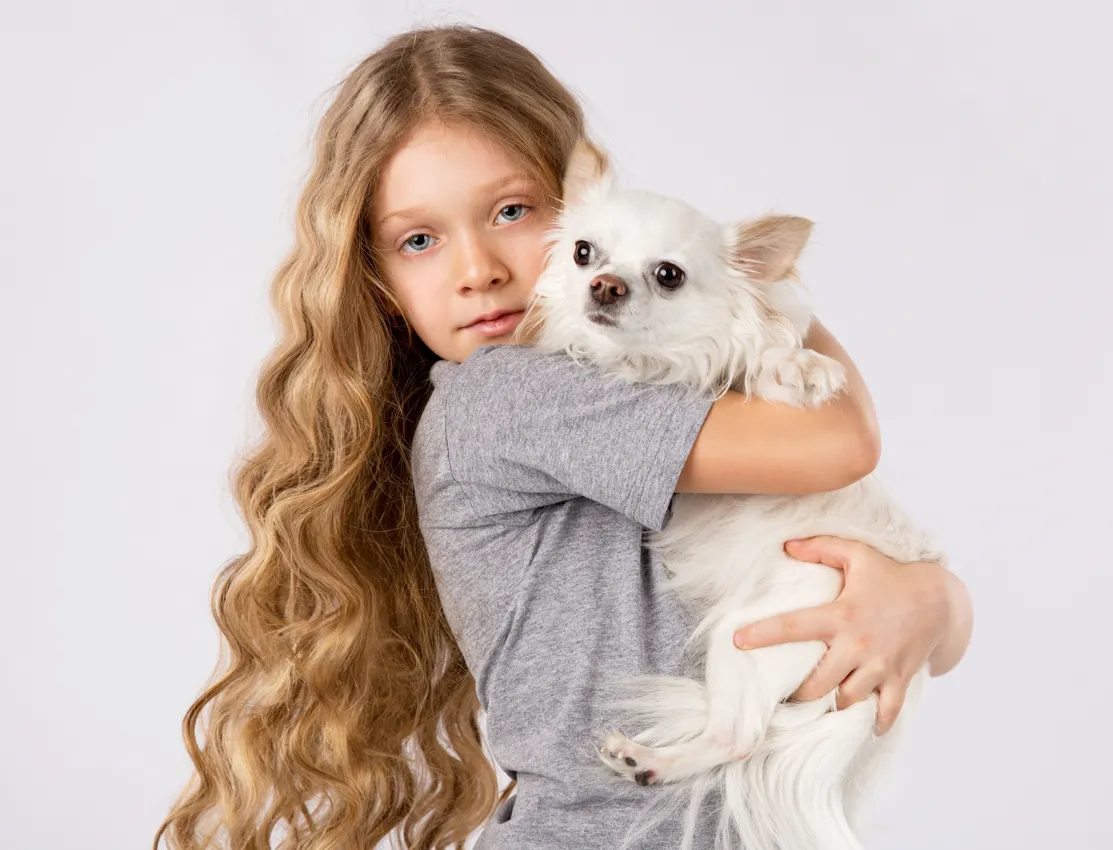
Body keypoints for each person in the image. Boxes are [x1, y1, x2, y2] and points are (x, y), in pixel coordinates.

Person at [155, 24, 973, 850]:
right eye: (419, 239)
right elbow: (840, 446)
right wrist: (758, 298)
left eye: (511, 212)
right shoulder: (504, 399)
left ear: (577, 207)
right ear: (378, 280)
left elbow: (881, 608)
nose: (478, 268)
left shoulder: (627, 381)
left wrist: (935, 603)